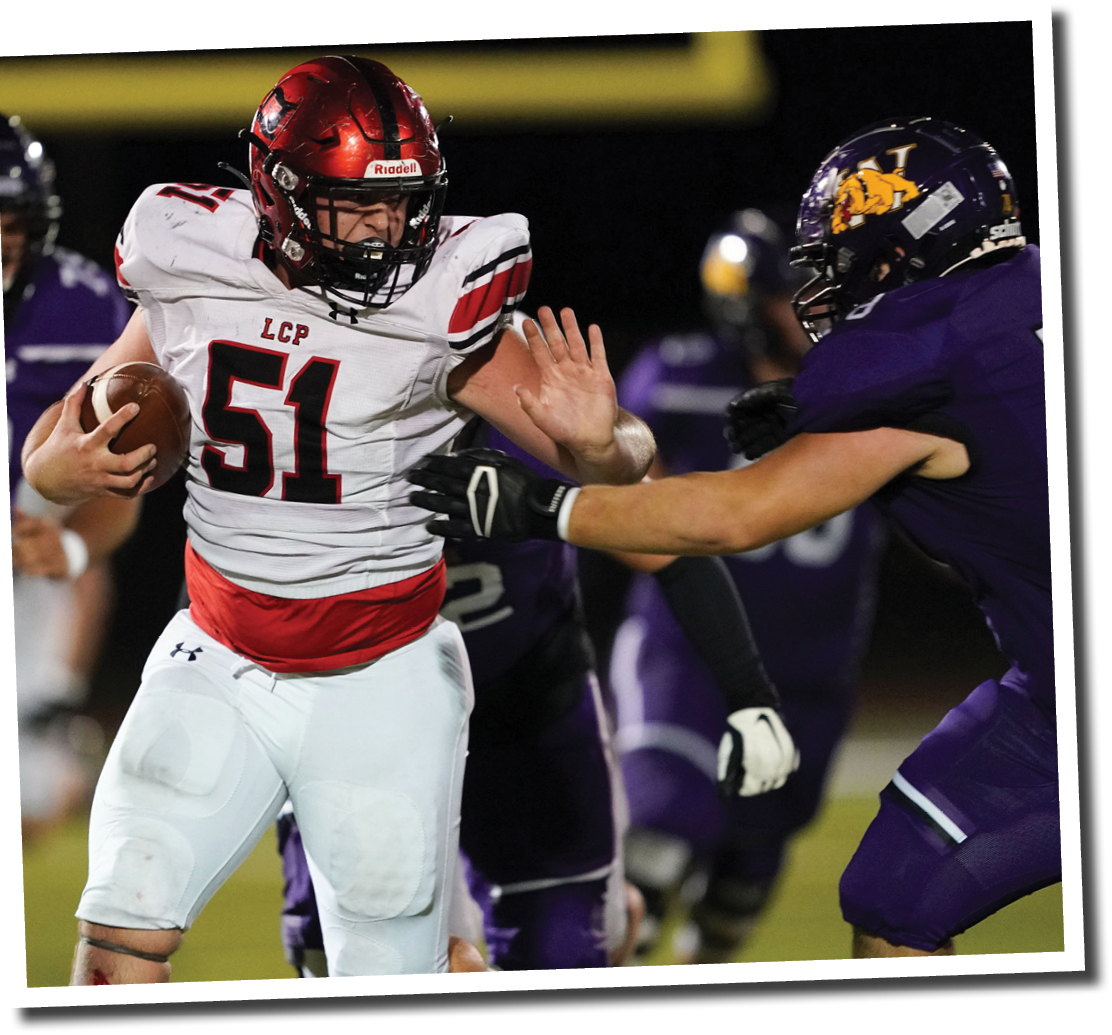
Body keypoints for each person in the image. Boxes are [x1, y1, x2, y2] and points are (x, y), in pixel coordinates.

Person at [20, 55, 655, 982]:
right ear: (277, 193)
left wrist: (605, 443)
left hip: (379, 676)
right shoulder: (190, 258)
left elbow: (620, 459)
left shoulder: (443, 297)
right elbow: (52, 445)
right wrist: (62, 465)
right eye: (353, 204)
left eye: (401, 204)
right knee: (114, 947)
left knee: (392, 979)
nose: (383, 228)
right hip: (218, 653)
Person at [410, 117, 1059, 958]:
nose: (826, 284)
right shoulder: (1039, 285)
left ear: (914, 238)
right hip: (1046, 684)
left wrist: (540, 506)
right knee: (892, 891)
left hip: (1049, 691)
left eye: (849, 250)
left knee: (869, 894)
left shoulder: (920, 356)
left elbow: (731, 516)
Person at [278, 404, 792, 973]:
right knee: (354, 961)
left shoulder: (529, 411)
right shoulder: (317, 419)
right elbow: (229, 575)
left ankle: (606, 913)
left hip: (528, 712)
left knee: (567, 955)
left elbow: (669, 540)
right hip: (363, 735)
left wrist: (750, 694)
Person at [609, 210, 886, 962]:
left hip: (811, 673)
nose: (814, 307)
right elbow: (624, 479)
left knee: (739, 891)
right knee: (656, 843)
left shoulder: (873, 382)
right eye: (790, 294)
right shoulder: (685, 377)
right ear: (746, 303)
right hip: (688, 657)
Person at [1, 112, 139, 844]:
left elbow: (120, 484)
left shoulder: (82, 304)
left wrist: (74, 551)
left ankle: (48, 710)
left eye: (8, 213)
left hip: (31, 556)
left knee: (32, 807)